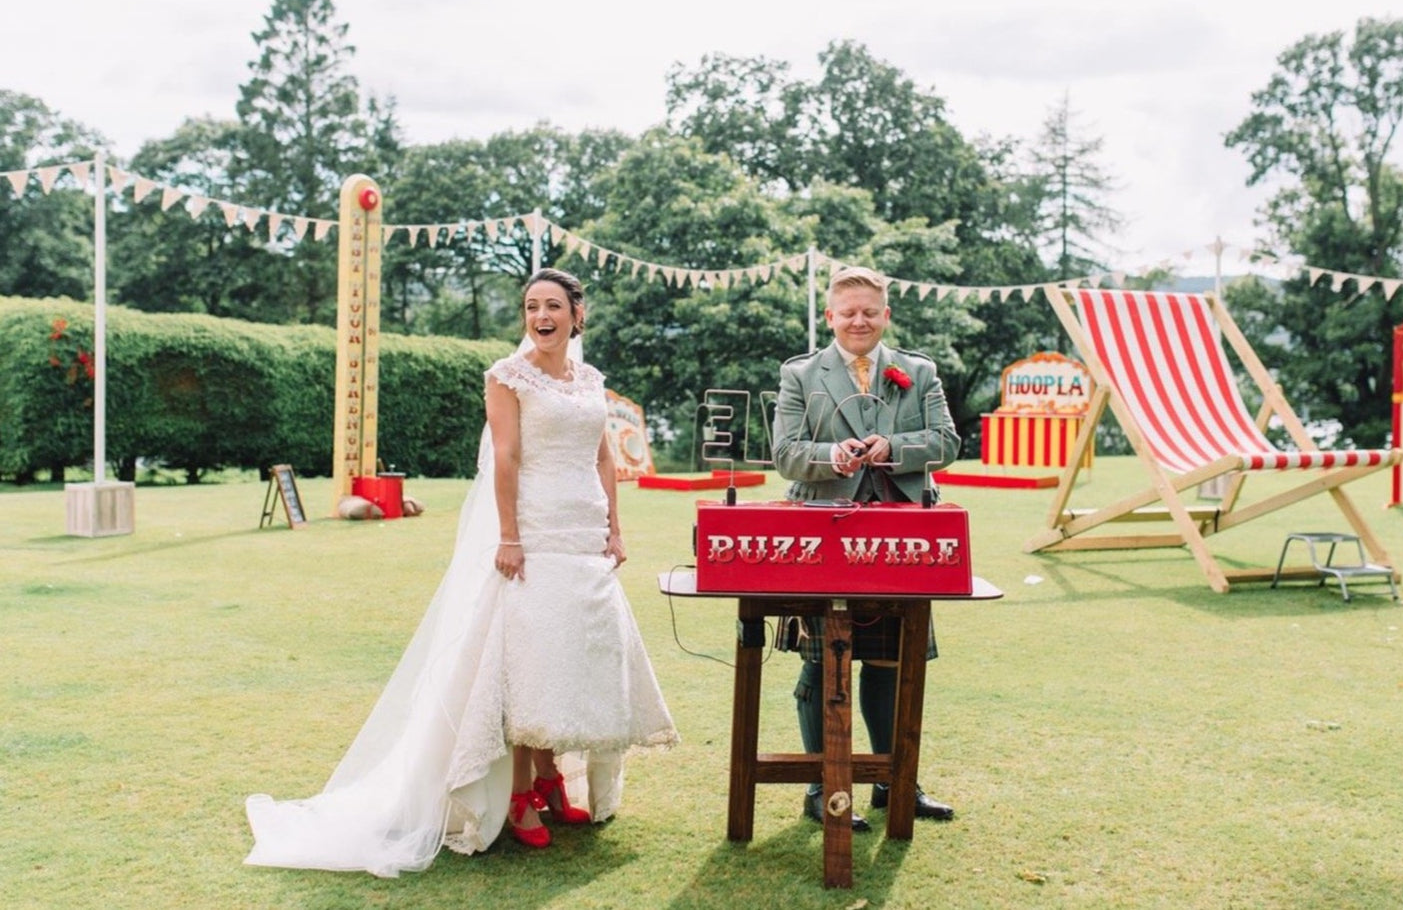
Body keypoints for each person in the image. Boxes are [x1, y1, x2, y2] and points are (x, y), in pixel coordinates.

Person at [245, 269, 677, 877]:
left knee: (573, 658)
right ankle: (522, 793)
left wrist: (614, 528)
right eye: (532, 306)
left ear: (578, 315)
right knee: (532, 662)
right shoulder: (506, 377)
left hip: (585, 537)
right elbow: (506, 456)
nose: (541, 316)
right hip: (534, 532)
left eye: (553, 306)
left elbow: (603, 454)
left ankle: (554, 779)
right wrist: (508, 536)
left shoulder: (590, 381)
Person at [771, 265, 959, 830]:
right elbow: (785, 452)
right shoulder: (800, 373)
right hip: (824, 534)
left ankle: (893, 780)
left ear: (886, 316)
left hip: (903, 538)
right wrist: (834, 456)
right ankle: (818, 786)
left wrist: (892, 446)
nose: (859, 321)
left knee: (891, 659)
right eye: (848, 312)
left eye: (869, 312)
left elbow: (947, 441)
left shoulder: (917, 371)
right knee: (820, 657)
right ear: (830, 316)